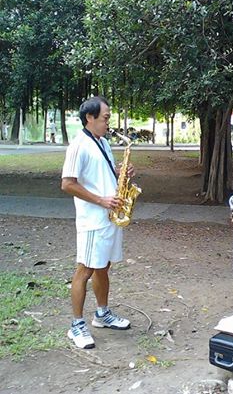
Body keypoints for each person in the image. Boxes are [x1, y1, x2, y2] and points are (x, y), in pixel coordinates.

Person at [61, 96, 133, 349]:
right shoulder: (79, 145)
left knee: (103, 266)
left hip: (110, 217)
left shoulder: (101, 142)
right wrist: (101, 200)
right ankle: (76, 326)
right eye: (105, 118)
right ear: (89, 118)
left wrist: (120, 173)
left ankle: (102, 314)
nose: (108, 123)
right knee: (85, 270)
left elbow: (101, 172)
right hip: (93, 219)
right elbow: (67, 183)